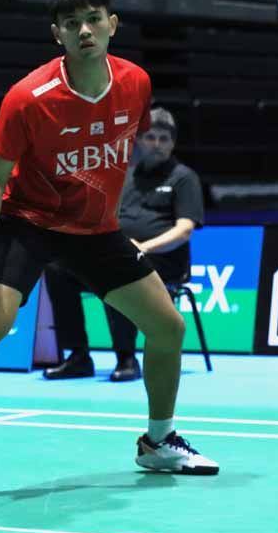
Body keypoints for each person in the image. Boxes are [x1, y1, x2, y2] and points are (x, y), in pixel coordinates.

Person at [0, 0, 220, 509]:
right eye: (72, 24)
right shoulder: (28, 98)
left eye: (93, 19)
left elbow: (116, 149)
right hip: (31, 223)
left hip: (95, 231)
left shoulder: (136, 83)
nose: (84, 30)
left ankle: (158, 441)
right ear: (57, 35)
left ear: (112, 25)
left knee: (168, 326)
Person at [43, 107, 204, 383]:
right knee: (58, 269)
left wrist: (144, 247)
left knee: (116, 267)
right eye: (150, 137)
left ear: (173, 143)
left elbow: (184, 229)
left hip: (163, 260)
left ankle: (126, 358)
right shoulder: (125, 175)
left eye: (164, 139)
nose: (156, 144)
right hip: (120, 251)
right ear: (139, 140)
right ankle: (78, 355)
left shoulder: (184, 177)